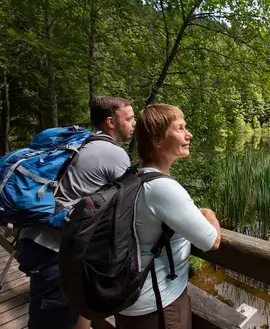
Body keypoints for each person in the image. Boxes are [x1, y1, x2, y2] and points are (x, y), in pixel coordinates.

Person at [17, 96, 136, 329]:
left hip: (38, 240)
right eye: (130, 118)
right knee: (53, 320)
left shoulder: (83, 143)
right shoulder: (113, 154)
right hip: (55, 250)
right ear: (111, 122)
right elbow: (132, 201)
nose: (134, 124)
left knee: (57, 312)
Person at [114, 103, 221, 329]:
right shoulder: (162, 188)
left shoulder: (134, 175)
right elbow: (212, 241)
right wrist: (208, 213)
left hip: (130, 297)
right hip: (158, 305)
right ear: (157, 140)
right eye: (180, 128)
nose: (188, 134)